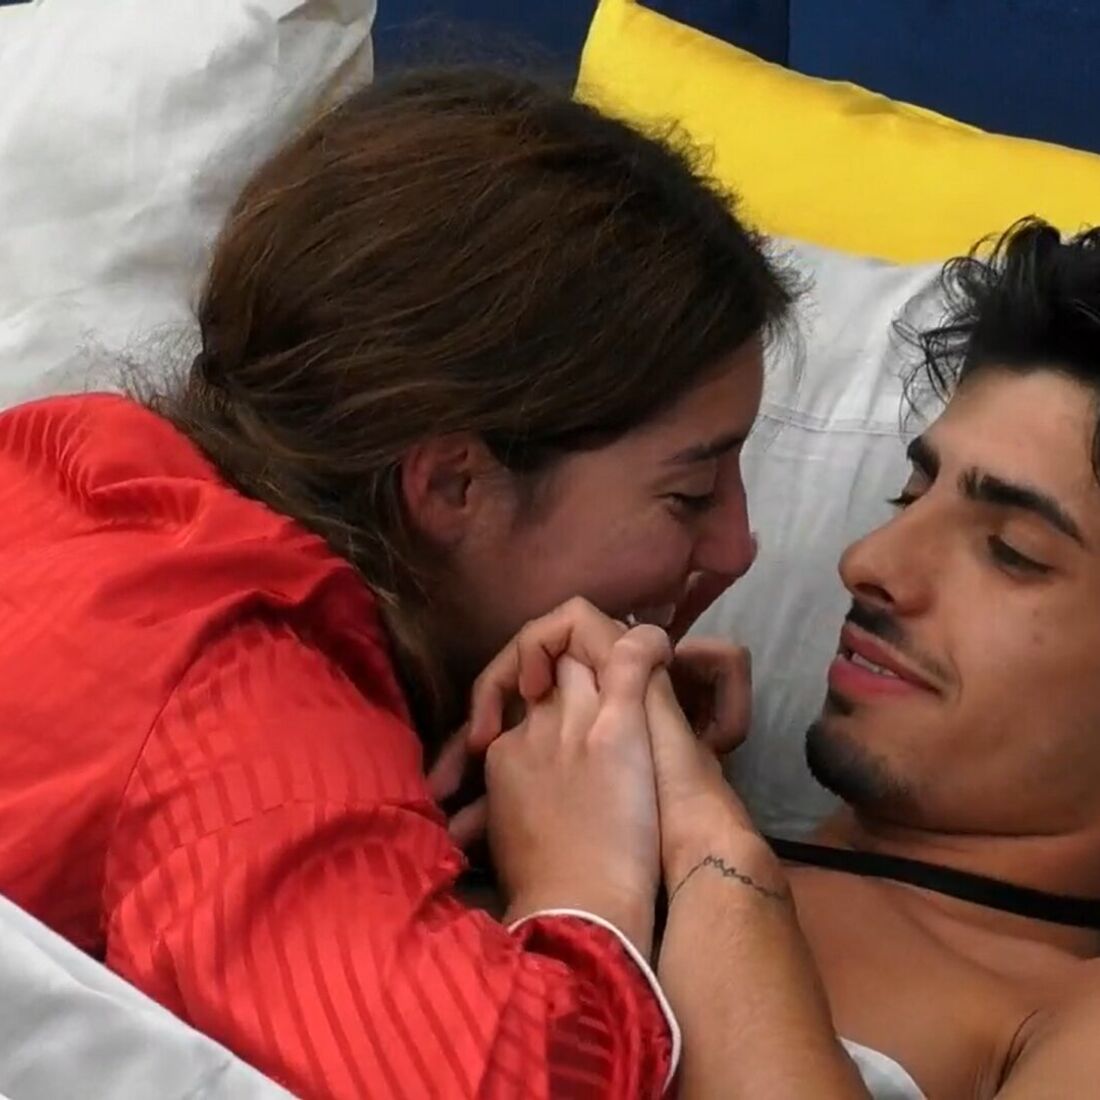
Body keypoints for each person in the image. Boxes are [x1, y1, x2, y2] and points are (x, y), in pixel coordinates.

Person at [0, 68, 793, 1098]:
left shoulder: (68, 458)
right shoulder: (234, 694)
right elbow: (507, 1083)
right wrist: (587, 880)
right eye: (689, 494)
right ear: (454, 482)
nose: (736, 549)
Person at [461, 218, 1100, 1099]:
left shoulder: (1060, 1019)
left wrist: (699, 847)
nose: (869, 561)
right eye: (908, 495)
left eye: (1012, 551)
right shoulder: (607, 813)